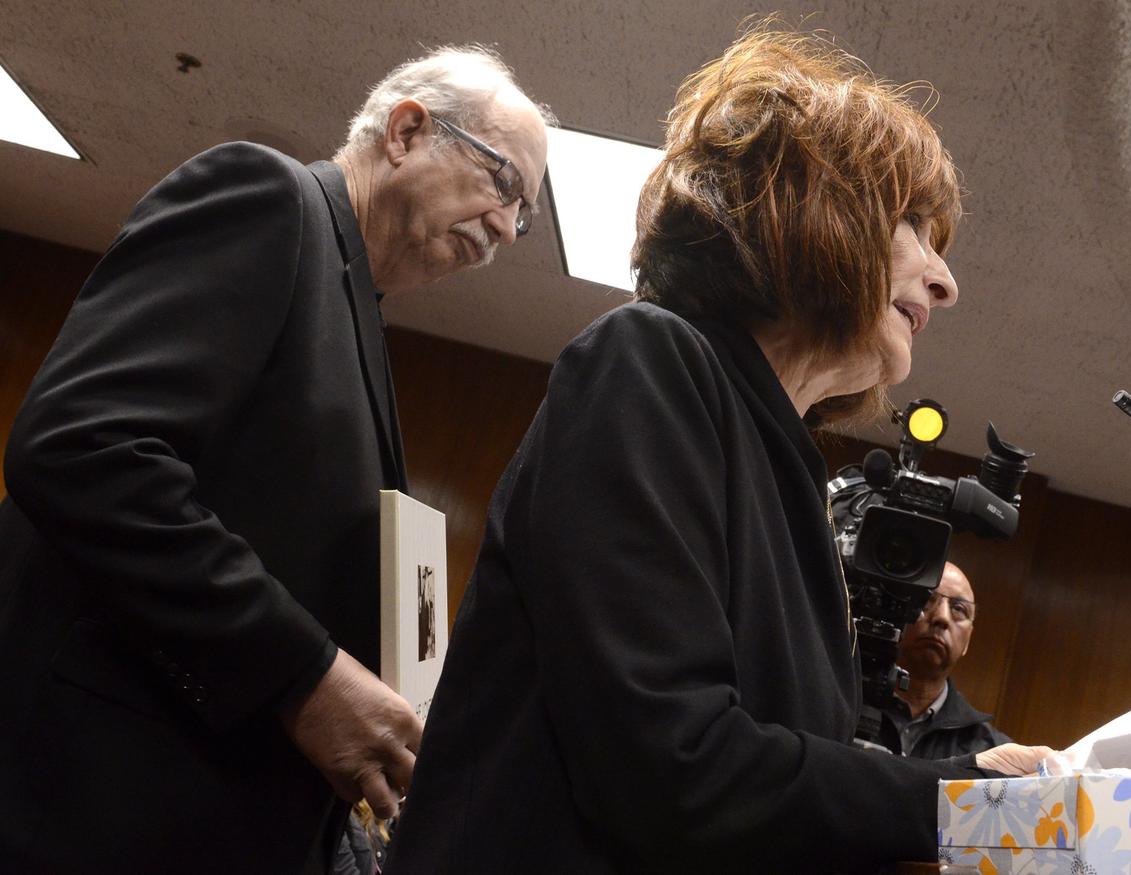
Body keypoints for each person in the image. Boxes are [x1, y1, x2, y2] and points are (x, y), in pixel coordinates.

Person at [384, 24, 1050, 874]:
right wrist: (969, 803)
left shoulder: (789, 474)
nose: (943, 280)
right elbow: (671, 765)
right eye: (913, 227)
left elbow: (764, 770)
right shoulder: (647, 362)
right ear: (808, 209)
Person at [0, 46, 553, 873]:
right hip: (80, 807)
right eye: (505, 183)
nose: (510, 226)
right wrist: (303, 675)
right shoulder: (267, 199)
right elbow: (81, 444)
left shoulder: (356, 307)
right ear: (406, 131)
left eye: (528, 216)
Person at [876, 561, 1013, 758]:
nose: (942, 617)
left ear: (968, 641)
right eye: (926, 599)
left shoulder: (988, 752)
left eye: (959, 609)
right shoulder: (846, 701)